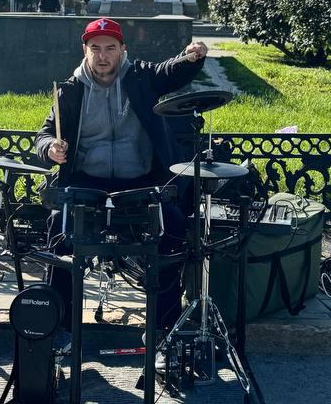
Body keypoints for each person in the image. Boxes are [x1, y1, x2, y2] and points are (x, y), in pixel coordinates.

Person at [35, 17, 209, 335]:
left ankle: (165, 328)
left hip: (140, 182)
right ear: (85, 50)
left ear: (122, 50)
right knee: (59, 230)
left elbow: (171, 71)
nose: (103, 56)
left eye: (110, 48)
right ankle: (60, 328)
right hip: (88, 183)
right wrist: (51, 148)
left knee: (173, 226)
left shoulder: (141, 76)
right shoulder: (70, 91)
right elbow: (44, 134)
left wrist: (193, 56)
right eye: (96, 48)